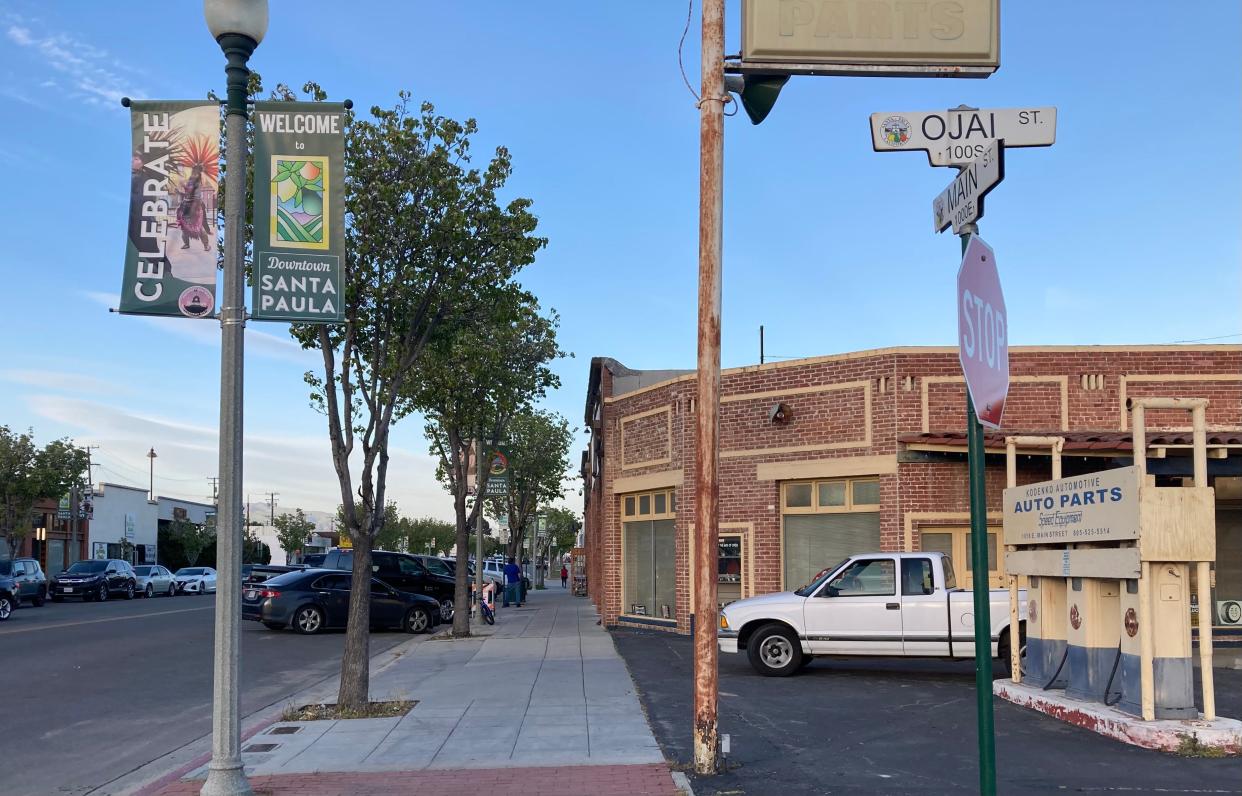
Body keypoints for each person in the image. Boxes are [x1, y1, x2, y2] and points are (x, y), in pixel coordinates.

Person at [177, 165, 212, 252]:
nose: (193, 173)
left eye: (195, 172)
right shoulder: (191, 180)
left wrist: (193, 209)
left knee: (198, 227)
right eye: (193, 171)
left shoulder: (197, 182)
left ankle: (206, 245)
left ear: (197, 173)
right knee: (184, 226)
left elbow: (197, 197)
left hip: (194, 208)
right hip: (186, 206)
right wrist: (180, 190)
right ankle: (186, 243)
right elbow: (187, 193)